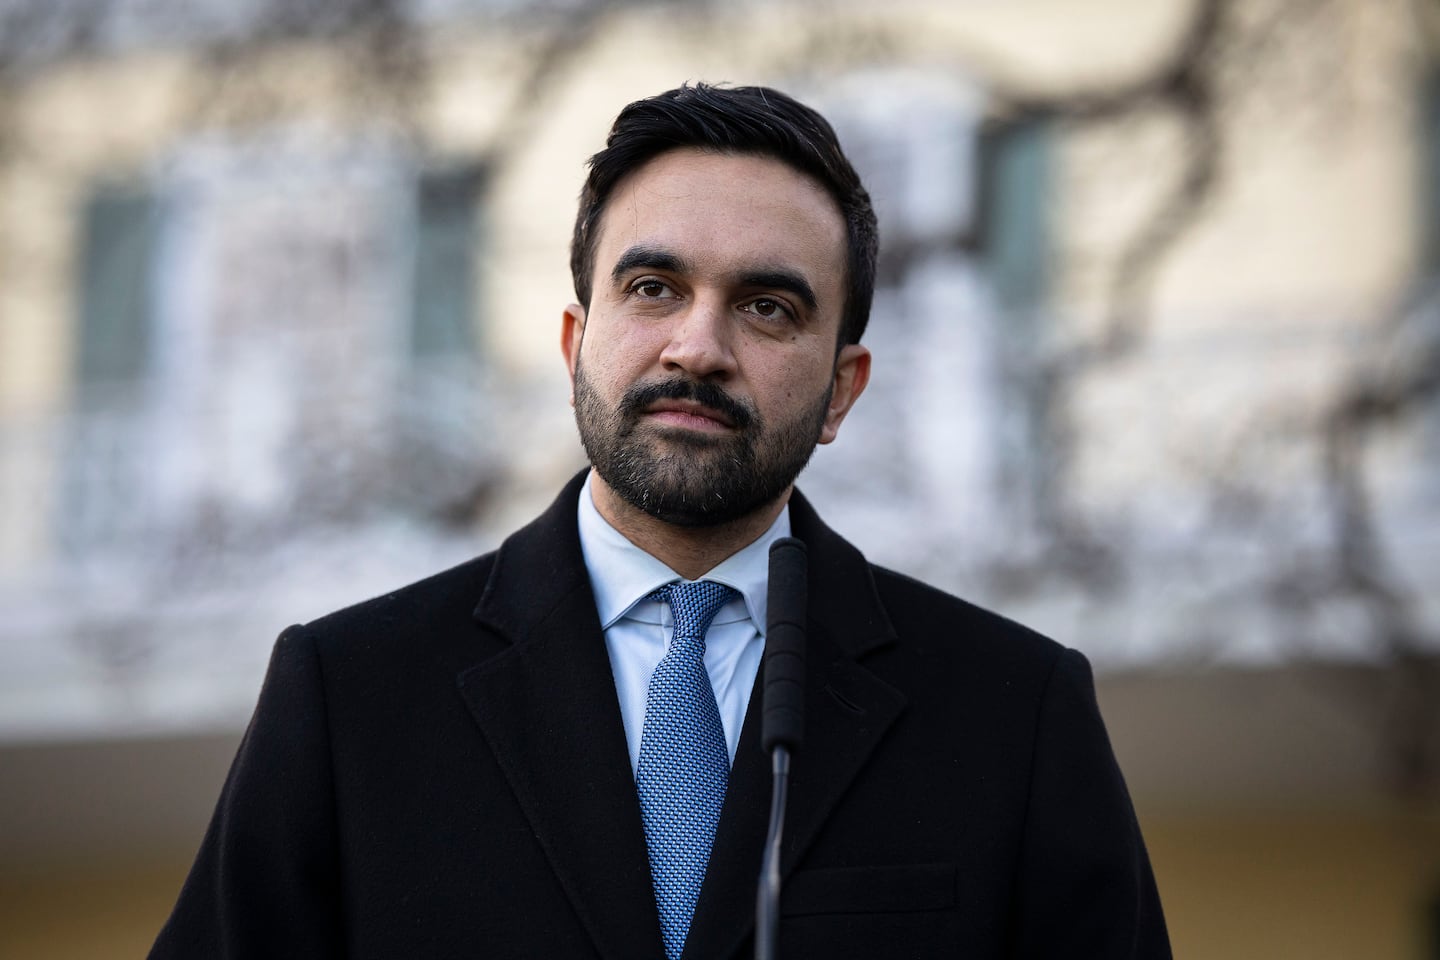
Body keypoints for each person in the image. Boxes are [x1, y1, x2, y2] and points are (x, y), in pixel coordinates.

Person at [150, 83, 1171, 959]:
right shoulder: (349, 699)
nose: (697, 345)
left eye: (767, 307)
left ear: (842, 392)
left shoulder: (1014, 714)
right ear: (574, 345)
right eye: (652, 287)